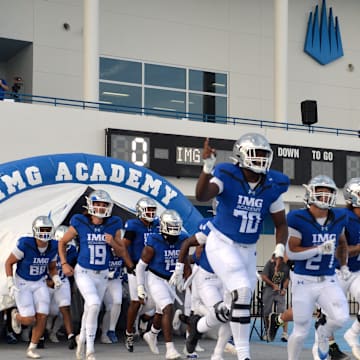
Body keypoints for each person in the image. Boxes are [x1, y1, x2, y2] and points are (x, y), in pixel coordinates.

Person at [192, 133, 289, 360]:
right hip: (222, 242)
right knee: (242, 292)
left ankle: (199, 326)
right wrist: (207, 168)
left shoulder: (272, 185)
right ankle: (244, 355)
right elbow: (202, 195)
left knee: (229, 308)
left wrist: (279, 249)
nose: (260, 159)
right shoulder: (227, 174)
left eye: (264, 154)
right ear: (241, 154)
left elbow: (281, 224)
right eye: (255, 153)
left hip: (248, 248)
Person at [285, 175, 350, 360]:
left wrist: (343, 265)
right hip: (303, 280)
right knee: (300, 330)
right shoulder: (297, 217)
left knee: (341, 318)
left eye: (328, 192)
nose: (325, 196)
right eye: (320, 192)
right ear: (310, 194)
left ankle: (323, 332)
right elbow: (292, 253)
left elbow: (343, 243)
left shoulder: (339, 217)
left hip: (328, 279)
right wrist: (318, 249)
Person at [58, 189, 123, 360]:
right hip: (84, 271)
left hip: (102, 274)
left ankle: (81, 339)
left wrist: (113, 243)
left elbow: (122, 251)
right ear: (90, 204)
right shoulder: (80, 221)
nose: (101, 208)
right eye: (97, 204)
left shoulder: (114, 223)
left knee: (90, 309)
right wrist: (64, 263)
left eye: (104, 204)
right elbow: (62, 242)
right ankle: (90, 350)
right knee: (94, 304)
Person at [4, 215, 60, 359]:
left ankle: (32, 347)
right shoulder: (25, 244)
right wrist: (10, 281)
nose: (45, 233)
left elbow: (52, 267)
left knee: (43, 315)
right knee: (29, 319)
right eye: (42, 229)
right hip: (23, 282)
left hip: (39, 282)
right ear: (35, 230)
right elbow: (9, 263)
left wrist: (55, 277)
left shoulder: (53, 245)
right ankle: (15, 315)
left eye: (47, 229)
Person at [136, 209, 188, 360]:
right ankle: (170, 349)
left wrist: (182, 276)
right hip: (156, 278)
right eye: (171, 226)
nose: (174, 230)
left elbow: (184, 259)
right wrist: (140, 287)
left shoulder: (182, 239)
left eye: (176, 226)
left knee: (160, 311)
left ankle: (151, 334)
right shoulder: (154, 241)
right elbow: (140, 266)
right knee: (168, 308)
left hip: (170, 279)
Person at [118, 197, 159, 352]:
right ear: (140, 211)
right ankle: (129, 333)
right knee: (136, 301)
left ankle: (144, 318)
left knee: (155, 302)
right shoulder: (133, 225)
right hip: (136, 267)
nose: (151, 213)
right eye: (148, 210)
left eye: (153, 210)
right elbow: (123, 247)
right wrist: (130, 265)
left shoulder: (157, 225)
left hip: (153, 268)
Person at [46, 225, 78, 349]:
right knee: (45, 311)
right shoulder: (50, 248)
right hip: (47, 281)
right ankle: (36, 333)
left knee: (64, 309)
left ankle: (70, 336)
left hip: (62, 281)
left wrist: (73, 284)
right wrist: (47, 281)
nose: (65, 247)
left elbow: (74, 267)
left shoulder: (72, 250)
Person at [340, 177, 360, 360]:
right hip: (338, 272)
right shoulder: (344, 217)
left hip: (357, 272)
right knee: (330, 317)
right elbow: (343, 251)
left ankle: (352, 333)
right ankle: (280, 319)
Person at [261, 245, 290, 342]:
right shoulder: (269, 264)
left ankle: (285, 333)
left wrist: (284, 289)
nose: (278, 260)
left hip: (279, 289)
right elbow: (264, 276)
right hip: (269, 288)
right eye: (277, 258)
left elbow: (286, 279)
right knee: (266, 311)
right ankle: (267, 332)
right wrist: (273, 285)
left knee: (282, 310)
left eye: (280, 258)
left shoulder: (285, 266)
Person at [100, 247, 125, 344]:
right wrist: (107, 274)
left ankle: (110, 330)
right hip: (102, 281)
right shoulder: (104, 252)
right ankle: (86, 333)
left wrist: (123, 274)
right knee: (95, 307)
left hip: (115, 281)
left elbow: (126, 266)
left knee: (117, 303)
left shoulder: (123, 252)